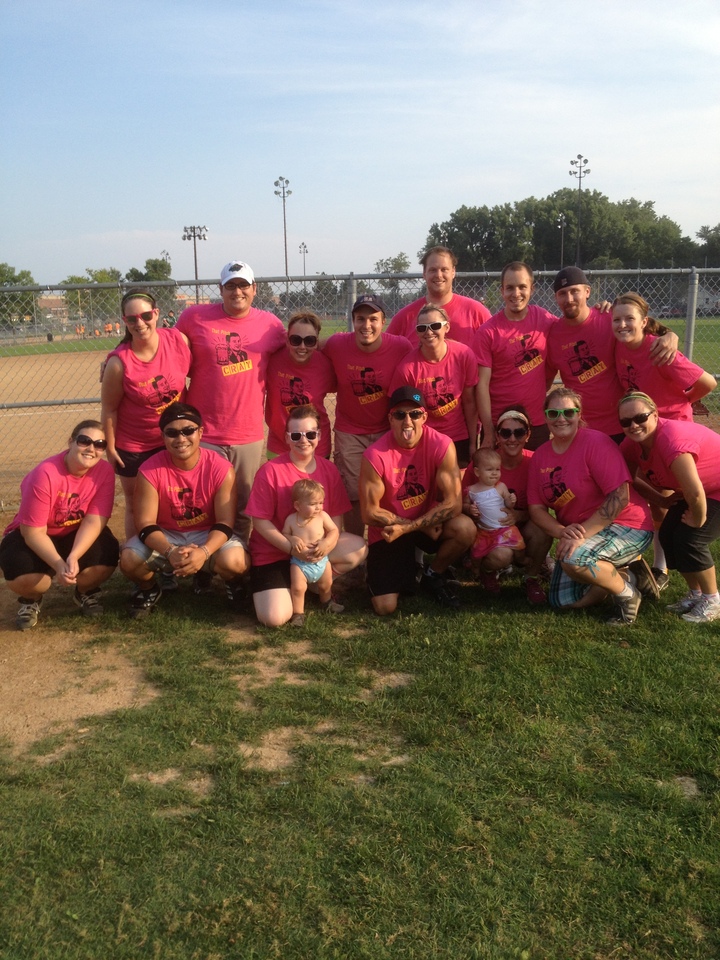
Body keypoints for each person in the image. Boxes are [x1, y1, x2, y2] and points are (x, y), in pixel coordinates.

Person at [176, 261, 286, 540]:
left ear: (254, 289)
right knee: (203, 502)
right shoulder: (194, 317)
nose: (238, 291)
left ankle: (238, 557)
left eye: (243, 285)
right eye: (231, 286)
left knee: (242, 504)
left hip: (246, 433)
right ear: (221, 289)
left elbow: (299, 350)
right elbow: (163, 346)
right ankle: (205, 558)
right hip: (203, 430)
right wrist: (119, 354)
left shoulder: (270, 325)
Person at [527, 387, 653, 624]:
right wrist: (562, 532)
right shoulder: (541, 456)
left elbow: (620, 497)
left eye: (568, 412)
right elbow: (536, 509)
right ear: (545, 417)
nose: (561, 419)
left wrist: (581, 535)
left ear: (579, 414)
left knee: (573, 559)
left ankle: (627, 595)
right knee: (562, 601)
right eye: (553, 413)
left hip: (627, 524)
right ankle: (629, 576)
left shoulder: (596, 442)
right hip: (583, 531)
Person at [119, 403, 249, 618]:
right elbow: (145, 524)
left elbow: (225, 522)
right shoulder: (150, 470)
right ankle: (149, 588)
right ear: (163, 437)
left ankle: (231, 582)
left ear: (200, 432)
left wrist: (203, 552)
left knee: (236, 562)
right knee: (129, 560)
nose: (181, 439)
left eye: (188, 430)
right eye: (172, 433)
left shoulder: (220, 467)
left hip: (206, 533)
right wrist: (170, 551)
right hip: (167, 534)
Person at [246, 405, 367, 627]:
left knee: (358, 547)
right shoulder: (271, 471)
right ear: (287, 438)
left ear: (319, 436)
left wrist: (326, 545)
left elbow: (335, 521)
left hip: (312, 550)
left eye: (310, 434)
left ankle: (313, 583)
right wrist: (291, 548)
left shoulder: (329, 469)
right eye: (296, 435)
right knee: (274, 619)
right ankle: (276, 585)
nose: (304, 440)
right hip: (275, 552)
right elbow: (260, 522)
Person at [359, 386, 476, 615]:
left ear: (424, 417)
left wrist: (411, 527)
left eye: (414, 414)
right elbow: (369, 513)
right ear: (390, 419)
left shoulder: (441, 444)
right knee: (385, 607)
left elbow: (453, 504)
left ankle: (433, 575)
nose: (408, 421)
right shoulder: (375, 455)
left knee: (465, 528)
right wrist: (411, 527)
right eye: (400, 415)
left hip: (423, 522)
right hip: (390, 529)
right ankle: (396, 570)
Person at [0, 420, 119, 630]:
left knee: (106, 555)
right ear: (71, 442)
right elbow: (33, 532)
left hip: (74, 531)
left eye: (100, 444)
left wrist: (73, 557)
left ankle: (84, 592)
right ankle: (31, 599)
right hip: (39, 534)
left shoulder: (105, 471)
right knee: (24, 575)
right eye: (84, 441)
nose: (91, 449)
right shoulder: (45, 473)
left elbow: (94, 520)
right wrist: (57, 564)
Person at [618, 392, 720, 623]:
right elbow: (628, 480)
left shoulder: (671, 440)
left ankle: (712, 599)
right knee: (667, 534)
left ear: (655, 415)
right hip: (699, 489)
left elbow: (695, 492)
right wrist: (660, 500)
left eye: (640, 418)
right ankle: (695, 593)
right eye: (625, 421)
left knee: (691, 538)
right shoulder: (632, 445)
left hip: (713, 488)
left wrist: (698, 520)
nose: (633, 425)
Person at [101, 289, 192, 542]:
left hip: (175, 439)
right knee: (136, 504)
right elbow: (109, 409)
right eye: (132, 319)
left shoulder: (178, 341)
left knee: (173, 499)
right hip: (135, 445)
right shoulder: (119, 363)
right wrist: (111, 448)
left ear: (156, 314)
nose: (140, 323)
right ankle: (137, 557)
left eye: (145, 316)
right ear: (125, 321)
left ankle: (170, 554)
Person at [548, 269, 680, 439]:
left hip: (624, 422)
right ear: (556, 298)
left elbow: (641, 328)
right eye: (562, 293)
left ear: (587, 291)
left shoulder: (609, 317)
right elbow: (546, 379)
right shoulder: (553, 335)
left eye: (575, 291)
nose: (569, 299)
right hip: (581, 426)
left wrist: (669, 334)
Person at [323, 294, 413, 534]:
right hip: (350, 431)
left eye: (373, 319)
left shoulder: (401, 346)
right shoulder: (337, 344)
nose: (366, 325)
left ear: (383, 321)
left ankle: (390, 543)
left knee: (392, 492)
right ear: (352, 320)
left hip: (387, 430)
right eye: (360, 319)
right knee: (353, 494)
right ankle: (355, 546)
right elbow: (309, 348)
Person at [461, 406, 552, 603]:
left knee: (543, 528)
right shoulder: (482, 463)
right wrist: (472, 511)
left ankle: (531, 577)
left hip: (523, 525)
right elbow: (462, 501)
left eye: (519, 432)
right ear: (497, 436)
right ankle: (487, 570)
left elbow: (543, 507)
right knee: (502, 556)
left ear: (528, 435)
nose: (512, 438)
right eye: (505, 433)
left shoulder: (535, 462)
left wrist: (519, 515)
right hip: (490, 530)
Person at [475, 262, 556, 450]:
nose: (516, 293)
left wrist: (599, 312)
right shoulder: (488, 332)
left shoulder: (543, 319)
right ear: (502, 291)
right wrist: (489, 430)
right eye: (510, 287)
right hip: (501, 425)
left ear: (532, 289)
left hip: (536, 423)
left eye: (522, 287)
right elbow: (482, 385)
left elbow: (573, 326)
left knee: (536, 469)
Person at [389, 304, 479, 466]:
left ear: (447, 327)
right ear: (417, 332)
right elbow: (399, 412)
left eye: (435, 326)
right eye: (422, 328)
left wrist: (473, 442)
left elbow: (469, 402)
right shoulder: (407, 369)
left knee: (458, 481)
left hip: (458, 436)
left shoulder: (463, 355)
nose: (429, 332)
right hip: (424, 438)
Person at [612, 292, 716, 421]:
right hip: (644, 423)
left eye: (630, 318)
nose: (622, 325)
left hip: (672, 421)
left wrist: (685, 401)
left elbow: (708, 383)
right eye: (617, 320)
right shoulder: (618, 344)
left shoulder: (660, 350)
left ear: (644, 322)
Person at [387, 246, 491, 349]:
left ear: (453, 272)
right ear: (424, 273)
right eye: (433, 270)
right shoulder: (404, 317)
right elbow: (386, 352)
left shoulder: (477, 312)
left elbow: (495, 349)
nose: (439, 275)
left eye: (444, 269)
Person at [265, 310, 336, 459]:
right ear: (287, 340)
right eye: (296, 340)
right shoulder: (272, 361)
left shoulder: (326, 365)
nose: (302, 346)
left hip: (314, 443)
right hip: (280, 443)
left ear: (316, 342)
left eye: (309, 341)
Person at [282, 478, 344, 627]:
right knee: (298, 588)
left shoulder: (322, 516)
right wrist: (292, 539)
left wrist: (325, 542)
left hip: (321, 560)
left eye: (321, 503)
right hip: (299, 563)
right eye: (313, 504)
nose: (318, 507)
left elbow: (334, 530)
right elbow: (284, 534)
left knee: (326, 584)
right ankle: (298, 614)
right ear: (297, 505)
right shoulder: (291, 520)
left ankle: (327, 602)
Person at [464, 447, 525, 585]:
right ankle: (476, 569)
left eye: (497, 469)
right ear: (477, 472)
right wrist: (469, 508)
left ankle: (521, 560)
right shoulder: (472, 490)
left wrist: (511, 500)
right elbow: (464, 505)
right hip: (484, 530)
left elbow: (508, 504)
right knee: (477, 552)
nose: (494, 473)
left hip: (504, 527)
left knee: (519, 544)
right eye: (489, 469)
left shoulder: (501, 487)